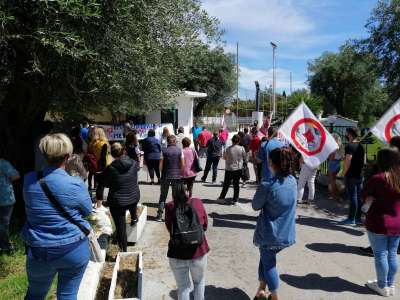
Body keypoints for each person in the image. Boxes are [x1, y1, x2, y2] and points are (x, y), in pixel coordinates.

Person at [22, 133, 92, 300]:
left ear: (44, 154)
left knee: (35, 294)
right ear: (67, 157)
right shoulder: (75, 183)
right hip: (73, 247)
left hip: (38, 248)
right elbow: (87, 211)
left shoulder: (29, 179)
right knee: (68, 294)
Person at [252, 147, 297, 300]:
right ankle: (261, 289)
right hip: (286, 233)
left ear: (272, 163)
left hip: (270, 234)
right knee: (265, 258)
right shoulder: (292, 181)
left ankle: (275, 296)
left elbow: (255, 205)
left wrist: (262, 189)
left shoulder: (268, 184)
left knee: (269, 264)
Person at [361, 148, 400, 297]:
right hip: (397, 222)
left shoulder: (378, 178)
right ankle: (390, 284)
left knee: (380, 254)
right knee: (392, 254)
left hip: (379, 222)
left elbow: (364, 196)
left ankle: (382, 285)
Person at [165, 183, 209, 300]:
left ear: (174, 192)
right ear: (189, 191)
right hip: (198, 252)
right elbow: (204, 225)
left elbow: (170, 228)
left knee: (183, 287)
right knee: (199, 282)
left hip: (177, 253)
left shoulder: (170, 206)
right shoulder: (197, 202)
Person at [102, 143, 140, 252]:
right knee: (132, 200)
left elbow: (106, 184)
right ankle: (134, 217)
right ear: (123, 151)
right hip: (133, 197)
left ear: (112, 154)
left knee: (120, 228)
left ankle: (124, 250)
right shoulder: (134, 163)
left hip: (117, 201)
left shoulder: (110, 168)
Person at [340, 128, 365, 225]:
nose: (345, 135)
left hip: (351, 175)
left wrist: (343, 173)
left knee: (353, 197)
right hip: (359, 175)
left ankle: (351, 219)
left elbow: (348, 161)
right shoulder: (361, 146)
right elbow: (364, 160)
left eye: (346, 133)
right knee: (358, 197)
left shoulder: (349, 146)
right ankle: (358, 218)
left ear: (350, 134)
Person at [157, 135, 184, 221]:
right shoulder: (180, 150)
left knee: (163, 196)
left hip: (165, 175)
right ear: (175, 141)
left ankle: (160, 215)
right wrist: (180, 173)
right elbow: (182, 164)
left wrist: (161, 174)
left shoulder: (163, 150)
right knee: (175, 197)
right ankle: (175, 216)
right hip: (177, 176)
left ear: (168, 142)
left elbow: (160, 165)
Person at [217, 134, 247, 205]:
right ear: (239, 141)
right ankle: (235, 200)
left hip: (229, 169)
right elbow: (245, 157)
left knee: (226, 184)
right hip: (238, 169)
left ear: (232, 140)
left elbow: (224, 158)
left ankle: (222, 198)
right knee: (236, 185)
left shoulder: (228, 149)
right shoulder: (242, 148)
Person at [0, 149, 20, 255]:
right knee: (3, 224)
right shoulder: (3, 163)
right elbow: (16, 176)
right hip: (5, 199)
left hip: (5, 199)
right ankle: (6, 247)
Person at [92, 127, 112, 209]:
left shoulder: (94, 144)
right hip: (104, 167)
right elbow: (103, 157)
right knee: (107, 185)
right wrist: (102, 169)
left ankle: (98, 204)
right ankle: (103, 204)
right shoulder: (103, 143)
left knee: (99, 186)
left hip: (96, 166)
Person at [328, 133, 344, 200]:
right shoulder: (340, 146)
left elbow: (331, 157)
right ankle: (336, 194)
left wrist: (328, 156)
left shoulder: (334, 147)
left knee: (332, 181)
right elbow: (342, 157)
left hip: (332, 163)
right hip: (338, 163)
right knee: (334, 180)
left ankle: (333, 195)